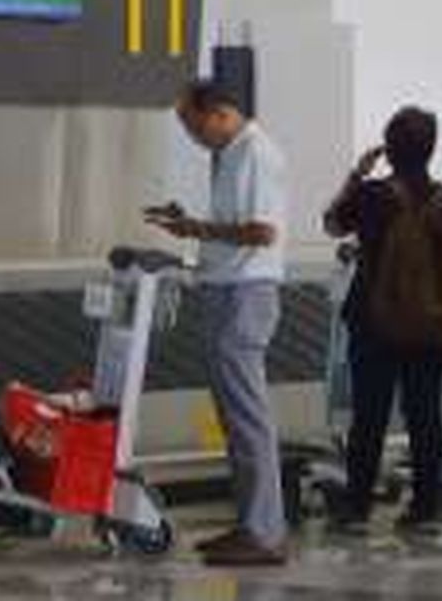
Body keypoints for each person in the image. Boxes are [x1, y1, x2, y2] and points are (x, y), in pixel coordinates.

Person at [145, 79, 288, 566]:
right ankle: (251, 524)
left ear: (220, 112)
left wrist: (197, 229)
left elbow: (261, 232)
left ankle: (265, 532)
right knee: (236, 419)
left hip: (244, 295)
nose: (191, 135)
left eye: (192, 124)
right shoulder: (231, 154)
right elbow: (238, 225)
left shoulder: (254, 153)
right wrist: (191, 222)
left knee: (249, 419)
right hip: (226, 289)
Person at [322, 107, 442, 535]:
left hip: (374, 319)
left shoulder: (371, 194)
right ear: (431, 148)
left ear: (389, 147)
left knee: (369, 414)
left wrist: (357, 174)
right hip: (432, 323)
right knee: (425, 415)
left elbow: (332, 224)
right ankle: (424, 508)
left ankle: (357, 509)